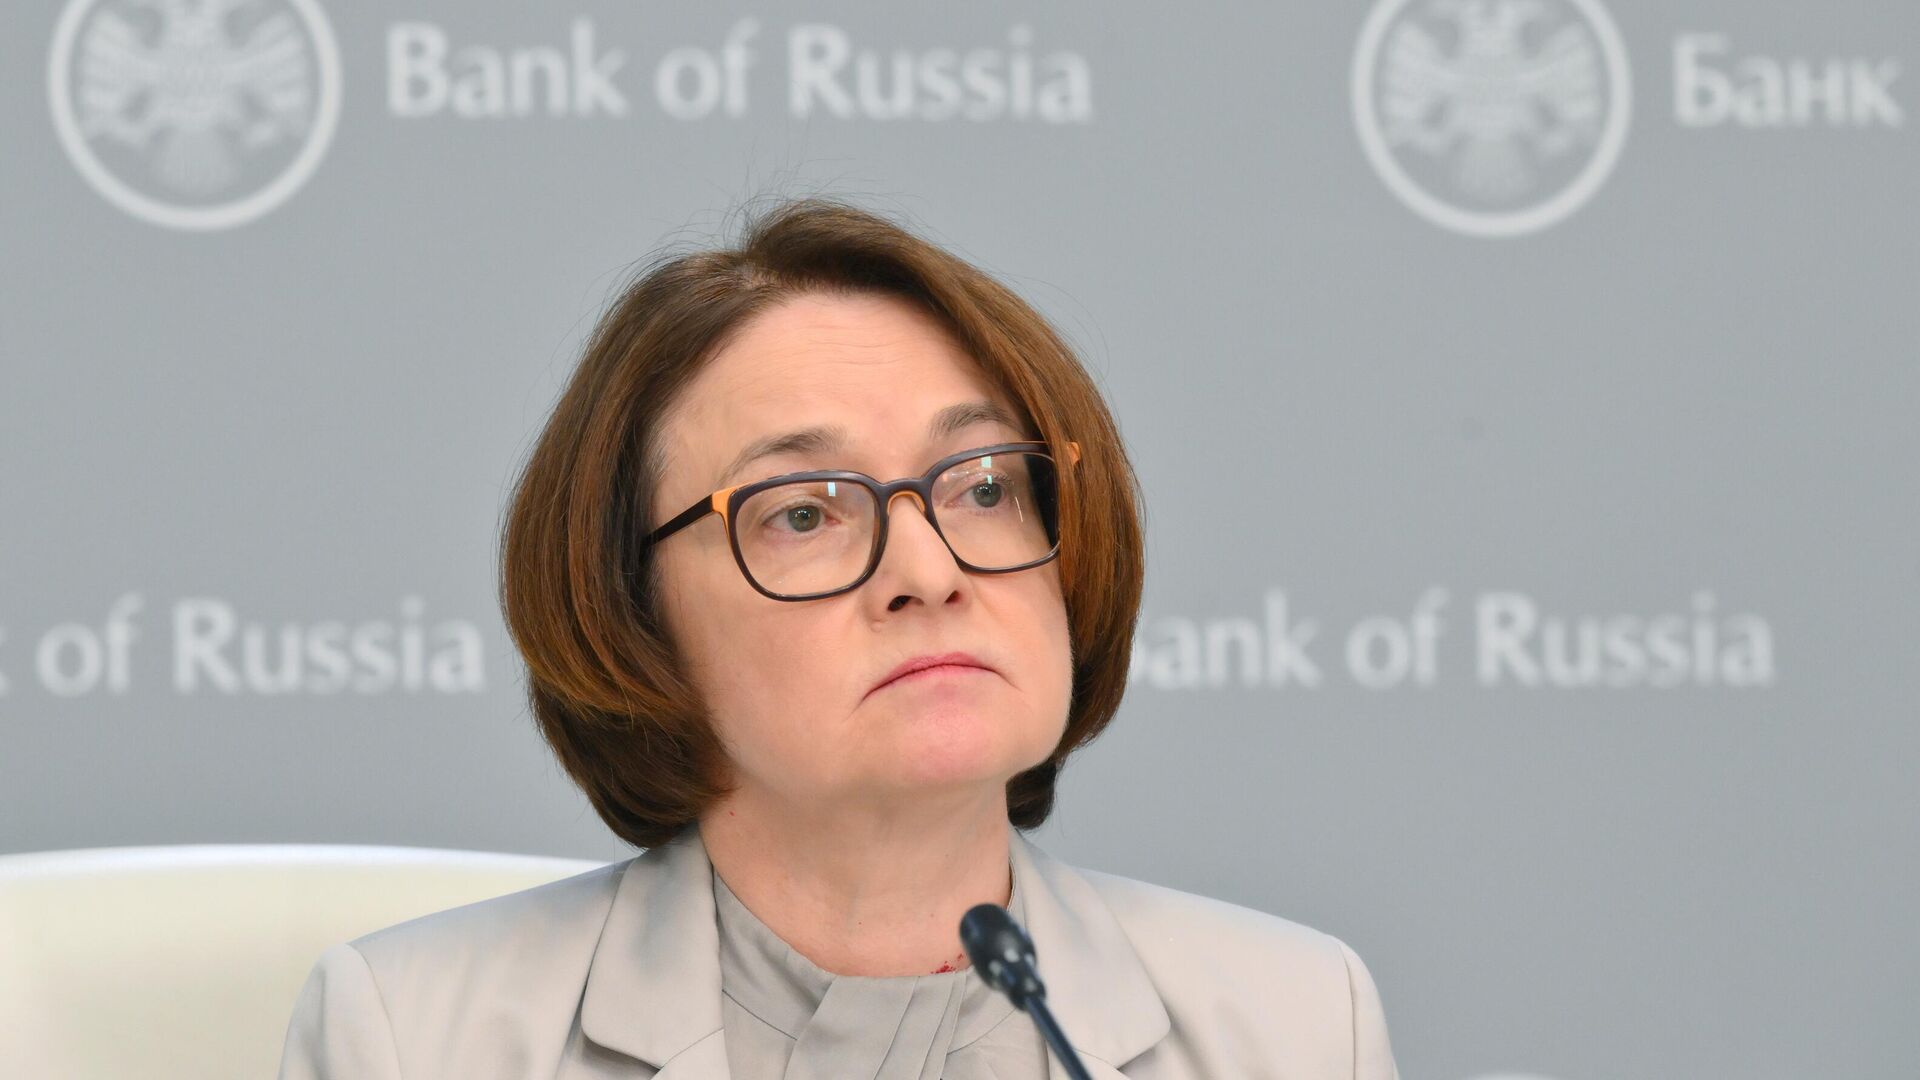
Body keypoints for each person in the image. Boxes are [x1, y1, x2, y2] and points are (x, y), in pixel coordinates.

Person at [277, 196, 1401, 1079]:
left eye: (984, 487)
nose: (930, 573)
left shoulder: (1294, 1027)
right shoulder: (418, 1040)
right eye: (805, 512)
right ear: (635, 610)